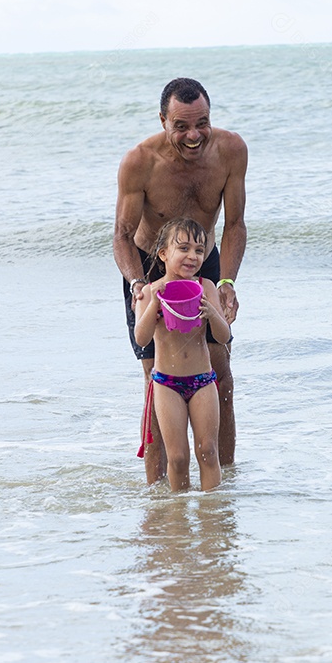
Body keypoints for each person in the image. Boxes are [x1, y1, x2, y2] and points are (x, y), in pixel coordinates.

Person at [114, 77, 248, 485]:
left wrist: (226, 281)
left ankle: (222, 483)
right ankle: (157, 492)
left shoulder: (231, 151)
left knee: (219, 367)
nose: (194, 136)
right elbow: (121, 235)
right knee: (157, 376)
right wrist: (138, 285)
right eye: (182, 126)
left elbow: (235, 225)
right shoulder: (140, 161)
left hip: (203, 261)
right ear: (163, 120)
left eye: (202, 123)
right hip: (148, 267)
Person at [133, 218, 231, 491]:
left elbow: (223, 338)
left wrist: (213, 314)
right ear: (163, 254)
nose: (193, 256)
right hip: (167, 384)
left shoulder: (206, 287)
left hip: (202, 381)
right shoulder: (151, 292)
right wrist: (153, 305)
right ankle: (178, 521)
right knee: (177, 458)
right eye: (184, 248)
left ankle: (213, 513)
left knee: (208, 451)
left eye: (199, 250)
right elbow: (141, 339)